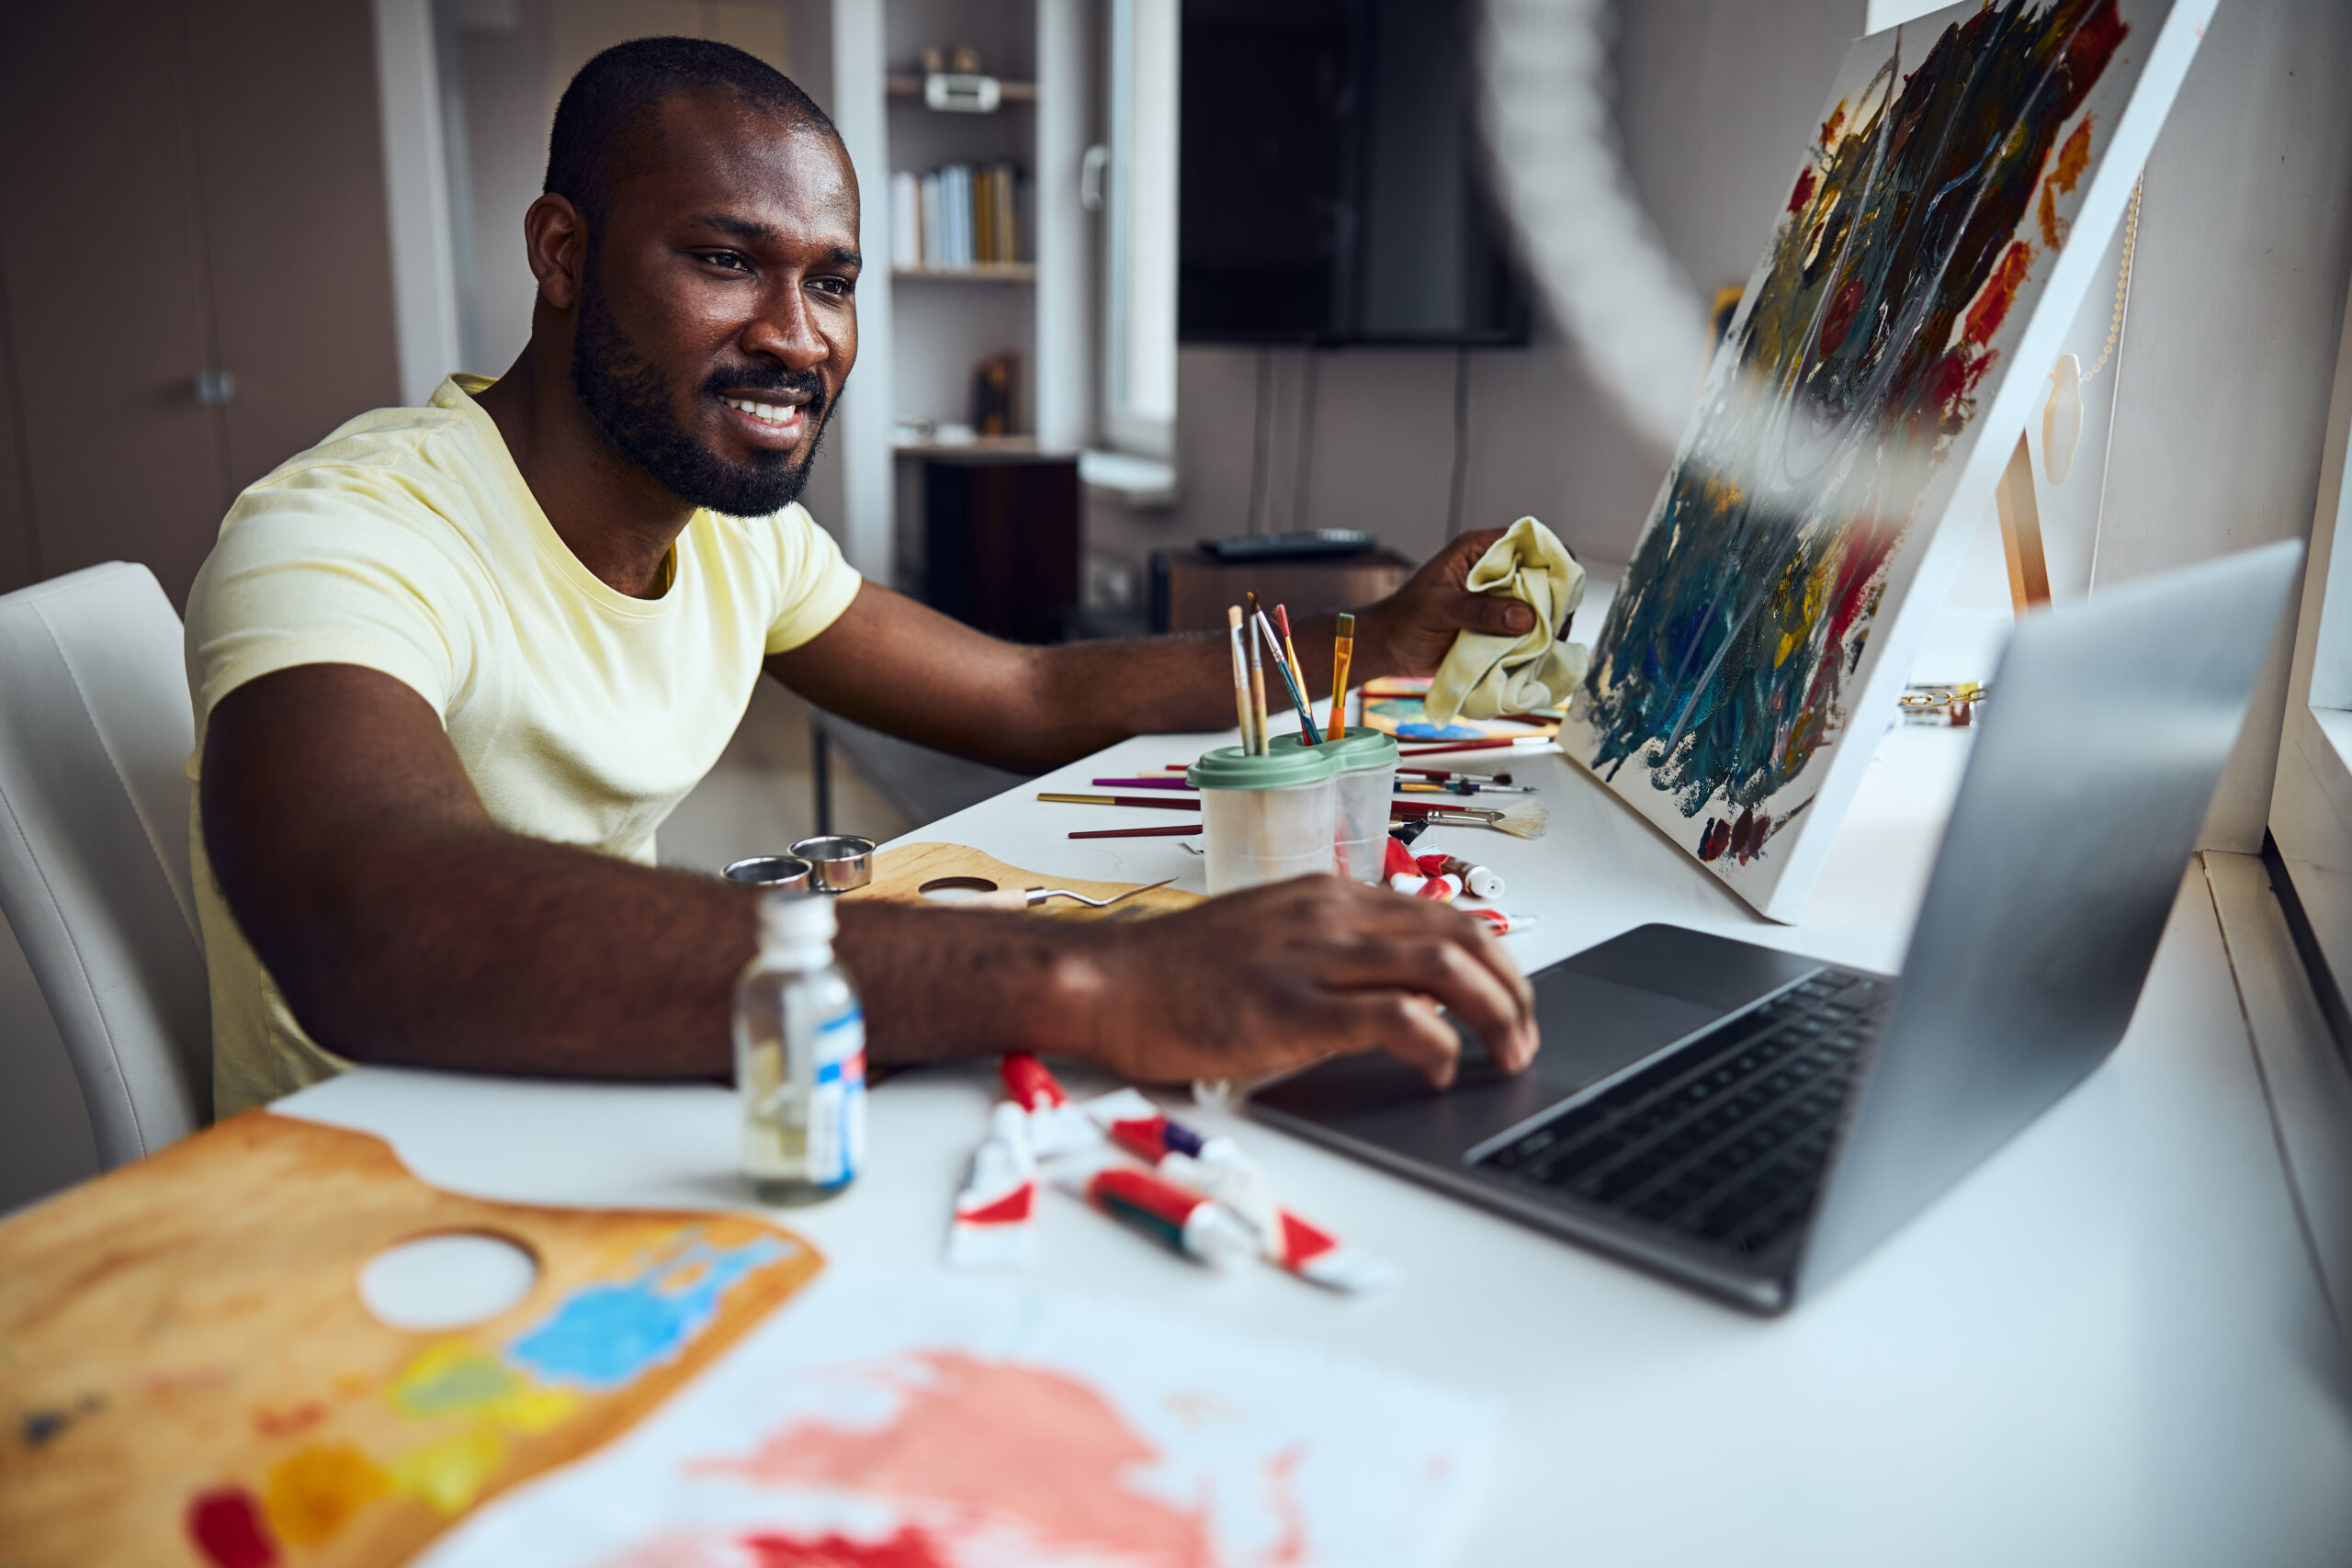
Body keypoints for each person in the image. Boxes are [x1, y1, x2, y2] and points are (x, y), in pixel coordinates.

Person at [188, 38, 1542, 1118]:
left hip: (597, 1092)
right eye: (726, 261)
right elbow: (369, 918)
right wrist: (1091, 974)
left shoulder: (730, 527)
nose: (795, 337)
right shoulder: (350, 528)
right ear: (562, 254)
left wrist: (1363, 646)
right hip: (384, 1172)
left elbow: (1017, 691)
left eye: (830, 282)